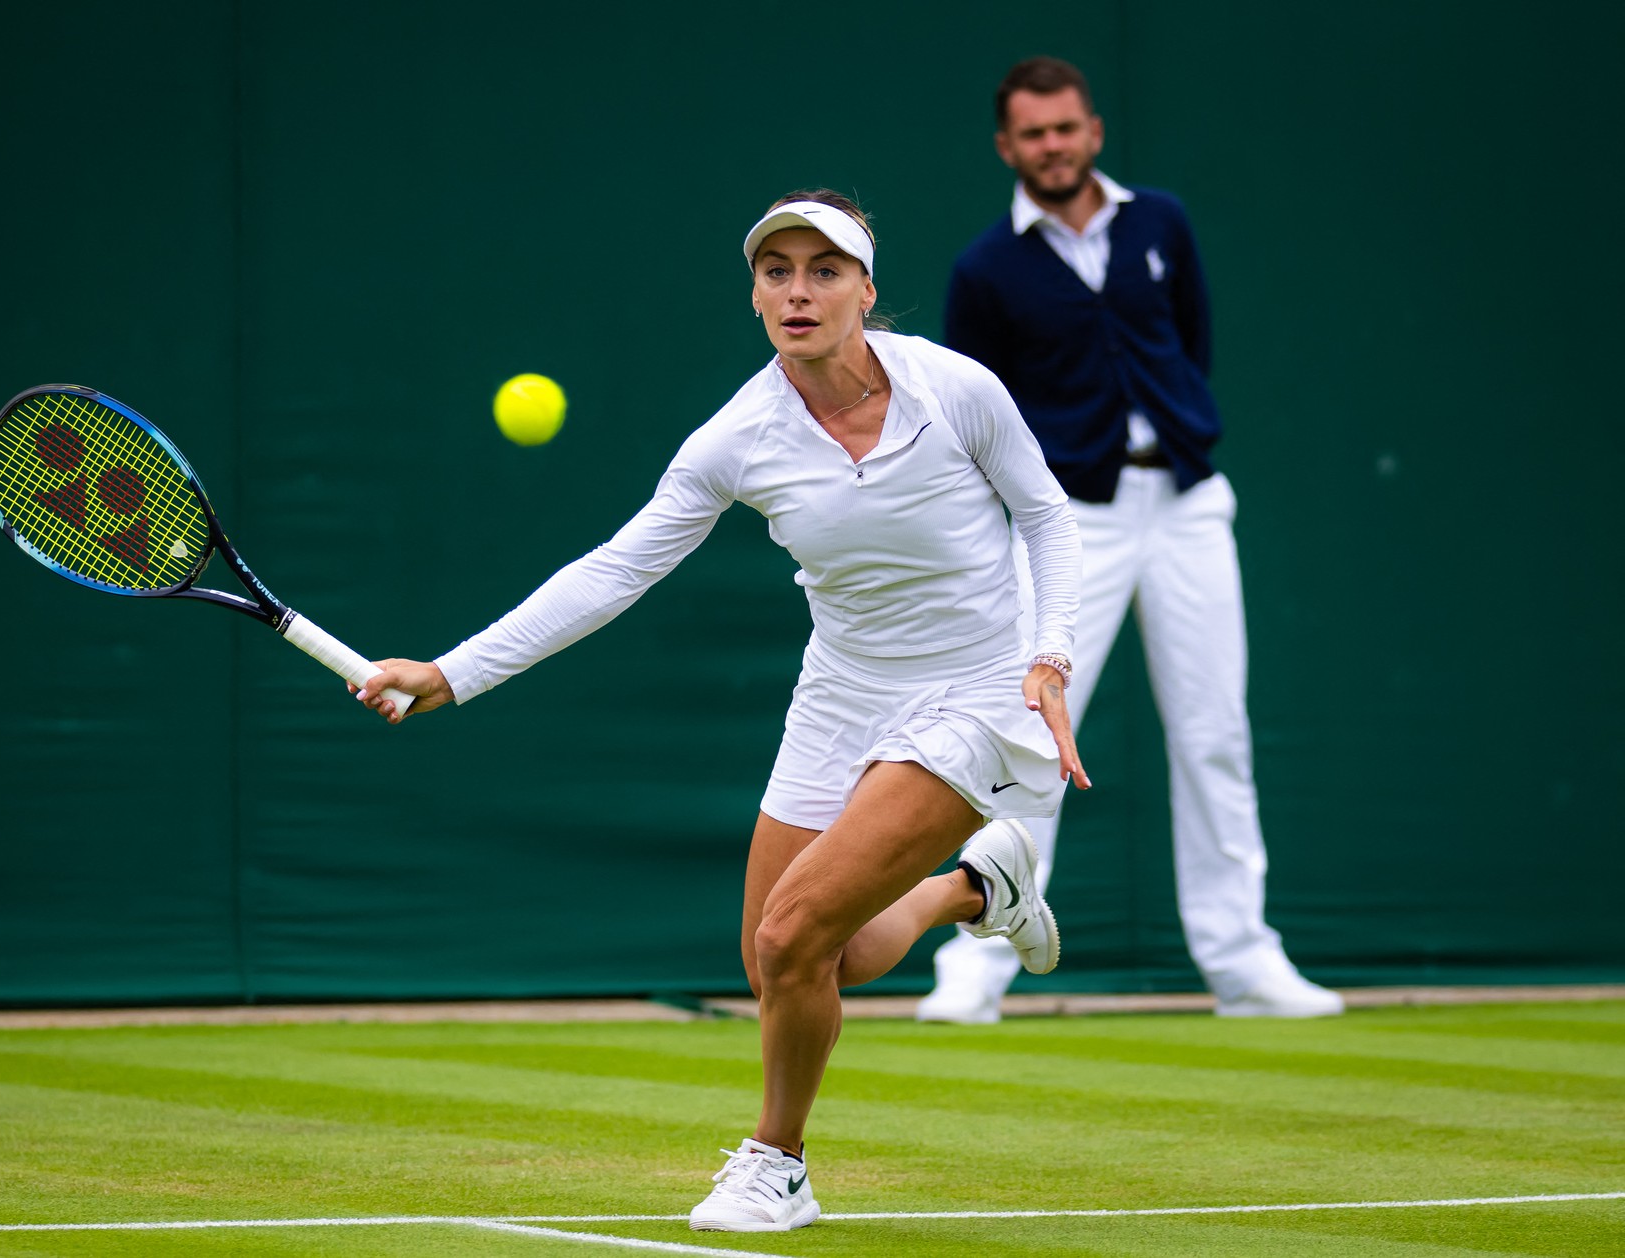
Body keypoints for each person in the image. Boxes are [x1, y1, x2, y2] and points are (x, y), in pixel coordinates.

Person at [352, 190, 1091, 1232]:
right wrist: (452, 670)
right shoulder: (737, 438)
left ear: (866, 290)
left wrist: (1050, 654)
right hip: (842, 689)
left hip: (979, 684)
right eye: (776, 270)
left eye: (824, 270)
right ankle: (972, 891)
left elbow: (1047, 515)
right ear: (754, 294)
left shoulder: (955, 387)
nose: (799, 289)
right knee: (787, 958)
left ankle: (776, 1162)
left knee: (794, 930)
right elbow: (614, 572)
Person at [915, 56, 1343, 1024]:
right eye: (1033, 133)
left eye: (1066, 128)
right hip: (1073, 519)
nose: (1052, 146)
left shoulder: (1162, 224)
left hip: (1187, 501)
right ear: (1006, 147)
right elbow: (976, 413)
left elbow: (1191, 346)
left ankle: (1242, 961)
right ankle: (976, 964)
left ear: (1093, 131)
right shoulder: (985, 270)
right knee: (1027, 737)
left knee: (1215, 733)